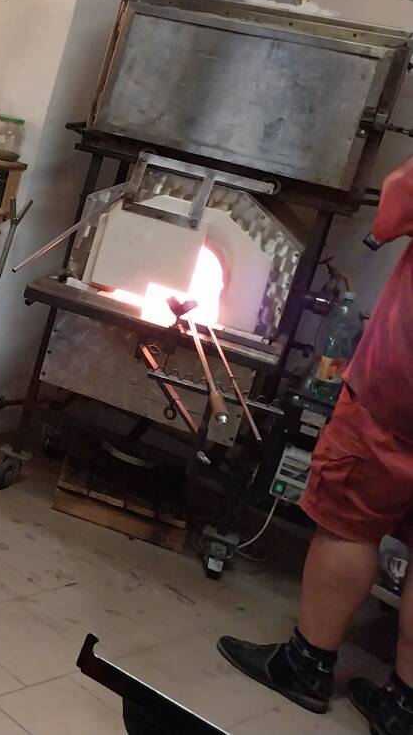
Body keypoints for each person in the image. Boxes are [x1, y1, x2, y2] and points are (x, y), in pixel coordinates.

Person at [221, 155, 413, 733]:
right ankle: (404, 706)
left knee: (349, 521)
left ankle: (305, 665)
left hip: (400, 388)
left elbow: (395, 206)